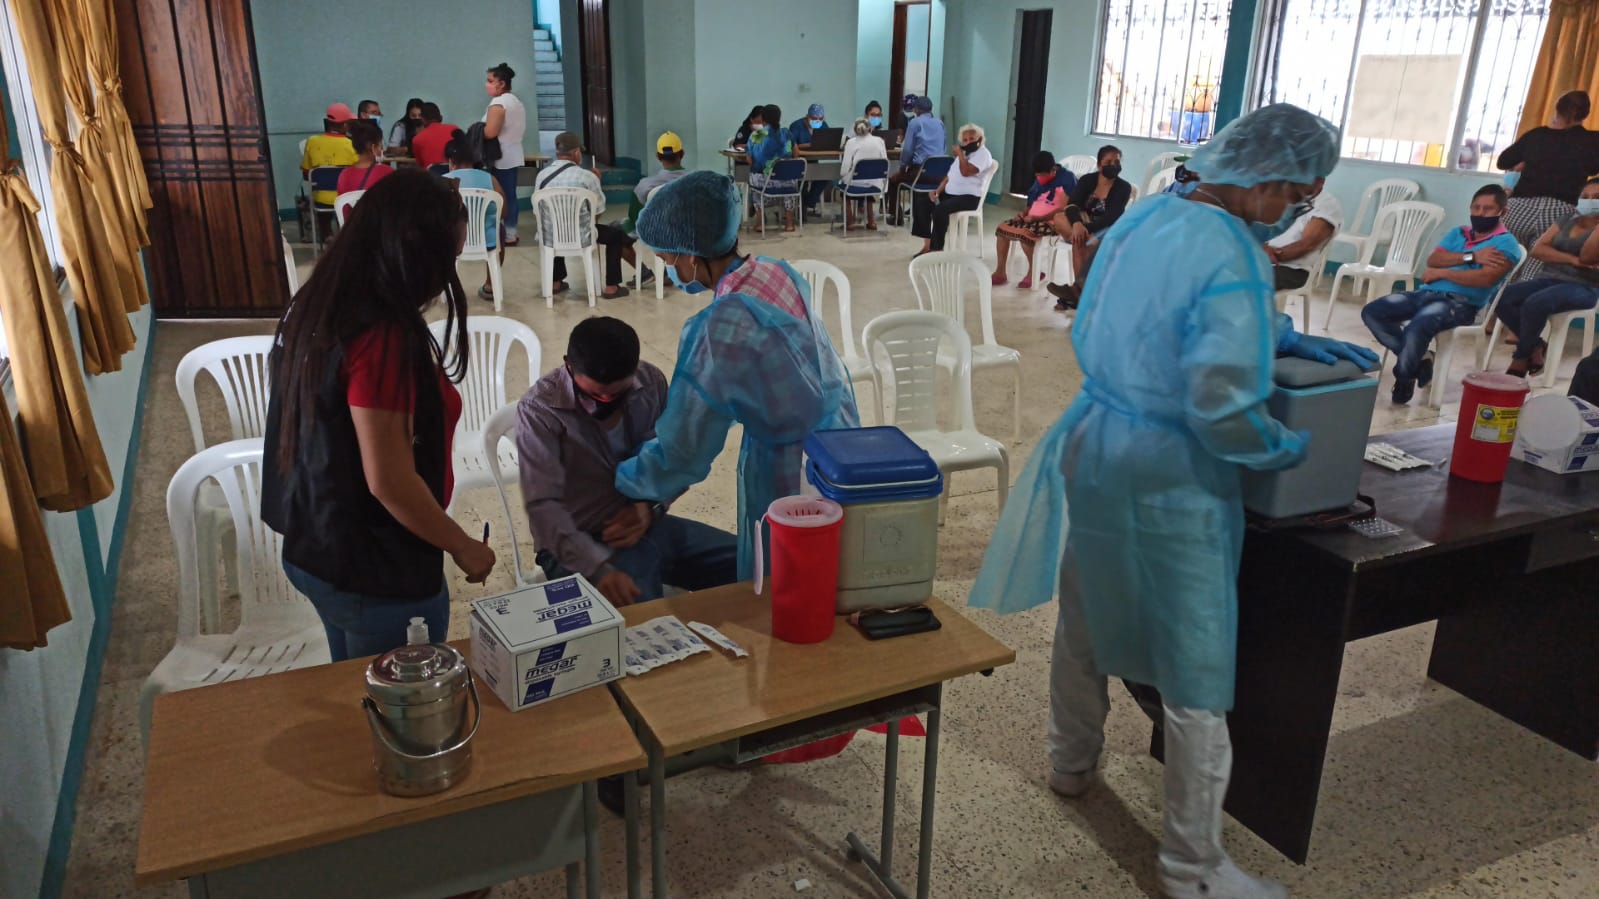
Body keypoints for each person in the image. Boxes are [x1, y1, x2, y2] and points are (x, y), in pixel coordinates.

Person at [968, 103, 1377, 899]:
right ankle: (1193, 867)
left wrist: (1274, 334)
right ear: (1261, 180)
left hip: (1097, 440)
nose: (1291, 209)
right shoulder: (1235, 252)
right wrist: (1282, 448)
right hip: (1170, 472)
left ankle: (1070, 762)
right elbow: (1220, 400)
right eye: (1293, 194)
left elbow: (1129, 314)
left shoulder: (1146, 217)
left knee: (1084, 617)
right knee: (1194, 663)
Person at [261, 170, 494, 662]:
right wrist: (462, 545)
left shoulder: (315, 303)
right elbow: (389, 480)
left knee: (357, 681)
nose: (447, 276)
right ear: (414, 255)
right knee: (401, 699)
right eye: (448, 259)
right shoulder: (381, 337)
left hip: (314, 541)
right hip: (374, 569)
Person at [616, 171, 859, 578]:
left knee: (788, 575)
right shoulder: (775, 271)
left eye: (668, 260)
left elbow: (687, 442)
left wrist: (629, 481)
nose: (669, 269)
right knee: (832, 569)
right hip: (840, 443)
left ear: (691, 256)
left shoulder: (723, 325)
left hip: (790, 471)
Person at [517, 317, 740, 607]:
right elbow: (544, 510)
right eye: (595, 394)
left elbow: (673, 462)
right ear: (569, 366)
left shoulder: (650, 383)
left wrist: (651, 509)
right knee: (641, 614)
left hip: (647, 524)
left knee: (756, 562)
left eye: (617, 394)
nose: (606, 402)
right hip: (577, 543)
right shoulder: (540, 412)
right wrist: (599, 568)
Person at [1361, 185, 1523, 403]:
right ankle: (1420, 361)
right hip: (1426, 293)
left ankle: (1404, 376)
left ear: (1502, 212)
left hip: (1461, 303)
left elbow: (1486, 278)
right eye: (1476, 208)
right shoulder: (1459, 233)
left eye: (1487, 209)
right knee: (1373, 312)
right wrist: (1472, 257)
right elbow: (1433, 259)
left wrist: (1442, 272)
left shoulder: (1506, 243)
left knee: (1419, 324)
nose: (1480, 213)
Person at [1493, 178, 1599, 377]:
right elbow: (1538, 249)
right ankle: (1535, 345)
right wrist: (1572, 260)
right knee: (1500, 297)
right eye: (1585, 197)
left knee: (1535, 303)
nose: (1590, 201)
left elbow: (1587, 257)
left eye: (1596, 197)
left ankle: (1520, 358)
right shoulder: (1567, 219)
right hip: (1548, 278)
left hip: (1585, 285)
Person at [1497, 91, 1599, 279]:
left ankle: (1494, 298)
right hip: (1559, 211)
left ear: (1557, 110)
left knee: (1502, 266)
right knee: (1534, 273)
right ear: (1585, 114)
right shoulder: (1593, 141)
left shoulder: (1536, 136)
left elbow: (1503, 161)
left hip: (1519, 208)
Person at [534, 132, 648, 299]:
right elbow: (597, 213)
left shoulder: (542, 176)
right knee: (615, 235)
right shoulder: (588, 177)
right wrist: (597, 182)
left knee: (554, 225)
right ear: (576, 152)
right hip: (582, 237)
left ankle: (555, 282)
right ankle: (612, 287)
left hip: (550, 237)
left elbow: (538, 211)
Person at [1044, 145, 1134, 310]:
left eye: (1116, 162)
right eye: (1108, 162)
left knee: (1081, 242)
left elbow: (1111, 218)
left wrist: (1085, 229)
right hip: (1082, 226)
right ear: (1099, 165)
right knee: (1059, 218)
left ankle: (1077, 293)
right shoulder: (1087, 180)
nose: (1113, 165)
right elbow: (1072, 205)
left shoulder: (1124, 187)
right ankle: (1082, 294)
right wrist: (1077, 224)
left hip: (1107, 230)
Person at [992, 151, 1077, 287]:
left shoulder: (1067, 179)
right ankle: (1000, 272)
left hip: (1052, 221)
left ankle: (1034, 272)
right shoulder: (1040, 178)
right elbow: (1032, 202)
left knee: (1026, 233)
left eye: (1042, 176)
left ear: (1053, 170)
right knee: (1002, 229)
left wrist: (1039, 218)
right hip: (1032, 218)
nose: (1039, 179)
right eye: (1037, 175)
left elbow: (1065, 209)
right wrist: (1024, 214)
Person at [440, 128, 505, 303]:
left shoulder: (443, 181)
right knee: (500, 230)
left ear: (451, 161)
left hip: (453, 241)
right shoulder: (489, 179)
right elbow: (503, 210)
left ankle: (444, 285)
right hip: (487, 240)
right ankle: (490, 285)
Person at [914, 123, 992, 255]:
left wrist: (960, 155)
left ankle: (936, 249)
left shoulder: (983, 154)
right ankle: (927, 245)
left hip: (969, 197)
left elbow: (966, 172)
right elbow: (949, 176)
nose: (968, 142)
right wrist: (938, 191)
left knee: (940, 210)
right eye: (965, 140)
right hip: (951, 194)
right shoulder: (966, 153)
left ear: (980, 139)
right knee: (922, 202)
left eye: (972, 139)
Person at [482, 62, 527, 246]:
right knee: (510, 195)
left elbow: (490, 132)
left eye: (490, 81)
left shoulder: (499, 103)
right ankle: (511, 232)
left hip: (499, 157)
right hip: (513, 154)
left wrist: (477, 130)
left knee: (499, 196)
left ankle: (501, 233)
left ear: (501, 83)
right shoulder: (515, 101)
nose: (487, 84)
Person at [1264, 184, 1342, 290]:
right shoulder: (1282, 196)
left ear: (1320, 181)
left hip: (1292, 269)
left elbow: (1306, 245)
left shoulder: (1326, 206)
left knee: (1246, 279)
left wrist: (1270, 255)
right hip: (1265, 260)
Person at [887, 95, 946, 225]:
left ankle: (896, 216)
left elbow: (908, 150)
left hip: (921, 172)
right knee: (912, 178)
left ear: (916, 110)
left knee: (893, 181)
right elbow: (943, 147)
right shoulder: (940, 123)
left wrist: (902, 169)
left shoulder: (915, 123)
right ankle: (918, 211)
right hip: (939, 175)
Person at [624, 131, 690, 234]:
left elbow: (634, 220)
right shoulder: (698, 182)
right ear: (682, 154)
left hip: (659, 237)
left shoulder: (644, 186)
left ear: (658, 157)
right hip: (692, 234)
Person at [748, 103, 798, 232]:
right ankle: (789, 224)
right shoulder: (787, 133)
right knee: (789, 176)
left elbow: (749, 160)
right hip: (786, 183)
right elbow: (796, 154)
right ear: (779, 118)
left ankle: (760, 224)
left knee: (754, 177)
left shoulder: (756, 135)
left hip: (763, 184)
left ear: (763, 119)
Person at [301, 102, 358, 206]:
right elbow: (358, 174)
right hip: (346, 200)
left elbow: (306, 175)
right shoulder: (352, 145)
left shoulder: (312, 142)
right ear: (345, 125)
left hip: (320, 200)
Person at [839, 116, 889, 230]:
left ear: (855, 130)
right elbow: (884, 162)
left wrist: (843, 176)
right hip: (875, 184)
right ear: (870, 129)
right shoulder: (880, 141)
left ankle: (850, 222)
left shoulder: (851, 142)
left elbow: (844, 169)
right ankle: (872, 222)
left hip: (855, 183)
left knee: (844, 191)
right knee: (867, 190)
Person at [789, 103, 831, 217]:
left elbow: (828, 140)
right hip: (798, 162)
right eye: (814, 118)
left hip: (814, 160)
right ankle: (803, 206)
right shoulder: (796, 126)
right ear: (807, 116)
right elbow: (792, 145)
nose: (817, 121)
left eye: (820, 119)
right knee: (801, 182)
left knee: (825, 177)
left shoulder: (823, 125)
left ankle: (808, 203)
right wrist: (808, 145)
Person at [335, 120, 394, 196]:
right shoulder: (388, 172)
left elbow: (342, 201)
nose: (382, 149)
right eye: (380, 146)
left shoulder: (344, 175)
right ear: (373, 147)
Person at [409, 102, 457, 170]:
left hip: (431, 176)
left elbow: (421, 166)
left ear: (422, 120)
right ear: (441, 118)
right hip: (454, 175)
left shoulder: (417, 139)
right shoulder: (455, 130)